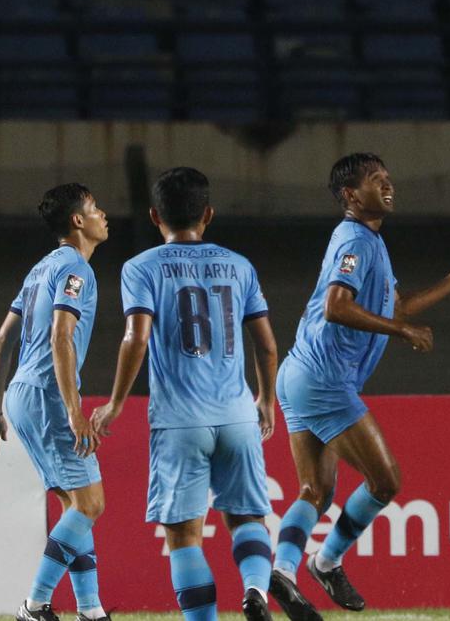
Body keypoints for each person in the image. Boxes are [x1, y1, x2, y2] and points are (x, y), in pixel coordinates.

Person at [268, 153, 450, 621]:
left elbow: (396, 307)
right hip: (323, 378)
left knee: (315, 490)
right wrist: (402, 333)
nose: (389, 185)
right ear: (352, 196)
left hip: (297, 374)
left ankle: (284, 572)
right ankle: (327, 561)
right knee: (385, 479)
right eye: (377, 180)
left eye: (389, 177)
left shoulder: (370, 241)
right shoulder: (353, 238)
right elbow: (337, 306)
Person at [90, 168, 280, 621]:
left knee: (183, 537)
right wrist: (267, 400)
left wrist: (116, 403)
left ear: (155, 215)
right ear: (208, 214)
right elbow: (267, 344)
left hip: (180, 420)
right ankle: (255, 589)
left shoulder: (141, 268)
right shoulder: (239, 265)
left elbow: (136, 338)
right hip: (237, 414)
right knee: (248, 520)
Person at [0, 183, 111, 621]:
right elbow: (61, 334)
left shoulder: (38, 270)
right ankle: (34, 605)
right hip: (48, 395)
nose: (102, 215)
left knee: (75, 507)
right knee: (91, 503)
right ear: (78, 221)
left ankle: (91, 610)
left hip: (19, 394)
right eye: (94, 208)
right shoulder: (77, 269)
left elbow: (1, 341)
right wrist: (75, 410)